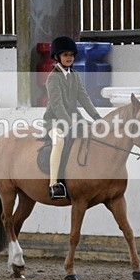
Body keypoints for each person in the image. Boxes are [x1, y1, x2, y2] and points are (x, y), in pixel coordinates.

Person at [43, 36, 102, 199]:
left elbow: (84, 98)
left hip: (75, 118)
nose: (69, 58)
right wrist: (69, 124)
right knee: (59, 141)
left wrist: (96, 117)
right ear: (57, 57)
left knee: (93, 135)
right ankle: (54, 184)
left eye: (71, 55)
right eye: (65, 55)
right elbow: (57, 104)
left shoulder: (75, 75)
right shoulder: (53, 78)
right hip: (54, 121)